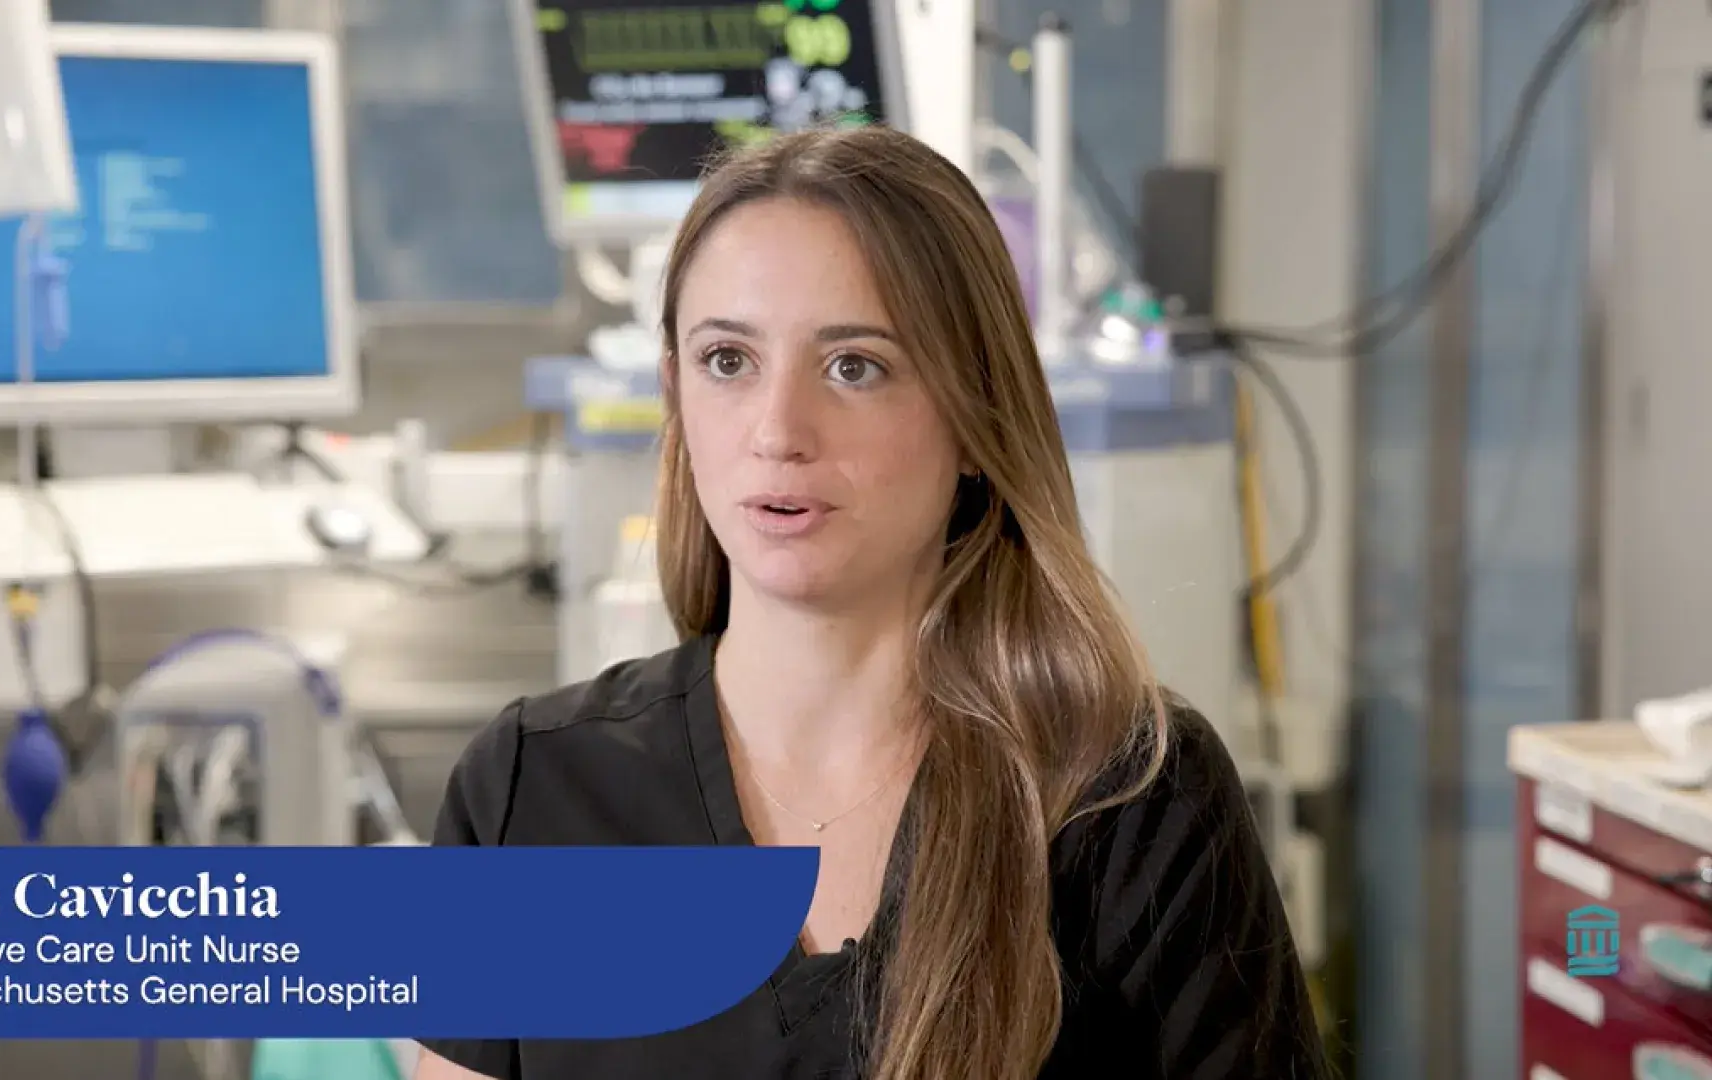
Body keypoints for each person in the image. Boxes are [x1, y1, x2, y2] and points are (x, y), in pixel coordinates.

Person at [416, 125, 1328, 1080]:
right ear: (674, 394)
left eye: (855, 366)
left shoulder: (1128, 798)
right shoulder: (530, 795)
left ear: (978, 417)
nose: (778, 431)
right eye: (729, 361)